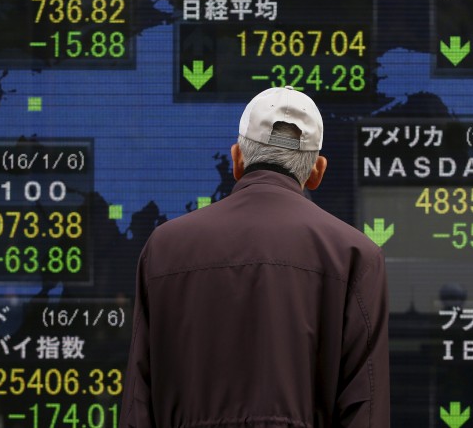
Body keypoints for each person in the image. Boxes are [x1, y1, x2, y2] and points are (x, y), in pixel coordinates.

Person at [120, 86, 390, 428]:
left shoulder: (164, 246)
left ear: (237, 159)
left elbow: (137, 405)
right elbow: (365, 412)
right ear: (317, 171)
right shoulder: (356, 255)